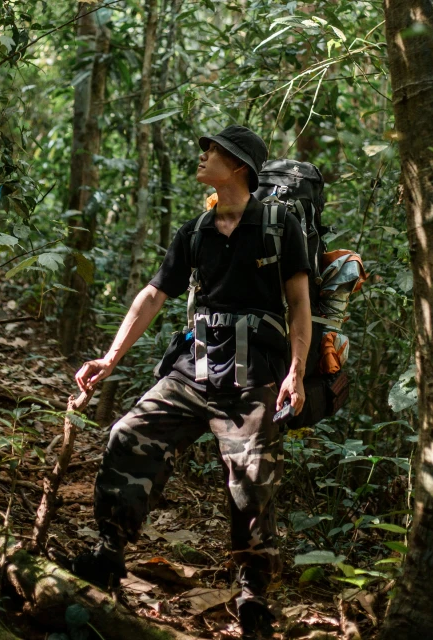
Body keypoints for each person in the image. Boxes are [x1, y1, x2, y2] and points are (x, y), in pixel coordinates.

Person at [70, 125, 312, 639]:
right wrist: (109, 358)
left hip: (254, 378)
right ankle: (109, 552)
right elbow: (153, 296)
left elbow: (299, 305)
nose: (203, 156)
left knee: (252, 482)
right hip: (195, 369)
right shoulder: (196, 231)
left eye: (214, 151)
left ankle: (252, 595)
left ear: (240, 167)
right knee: (128, 435)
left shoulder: (278, 224)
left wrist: (296, 371)